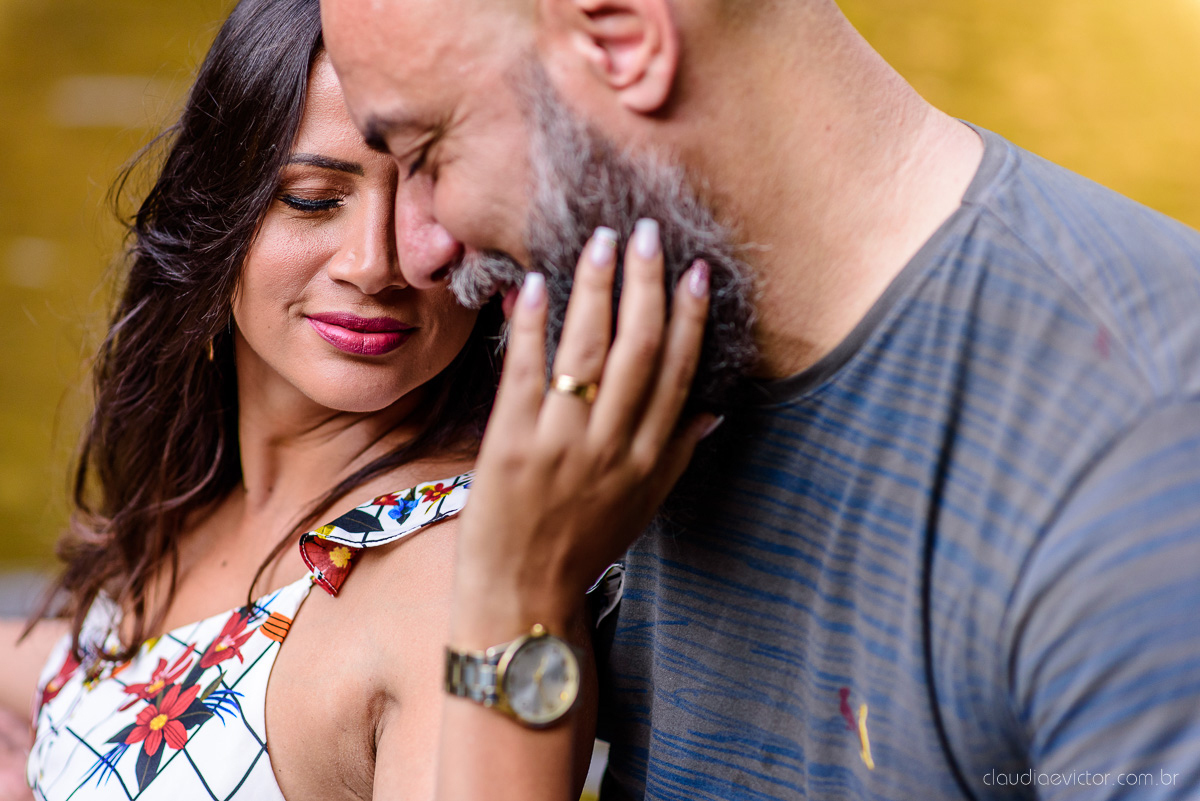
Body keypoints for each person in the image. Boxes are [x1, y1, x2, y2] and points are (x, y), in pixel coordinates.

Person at [319, 0, 1200, 799]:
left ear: (623, 40)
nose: (418, 253)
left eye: (428, 154)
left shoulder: (1140, 447)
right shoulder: (623, 371)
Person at [0, 0, 695, 796]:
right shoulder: (208, 502)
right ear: (217, 211)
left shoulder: (450, 576)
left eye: (429, 201)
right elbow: (111, 666)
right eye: (312, 198)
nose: (375, 263)